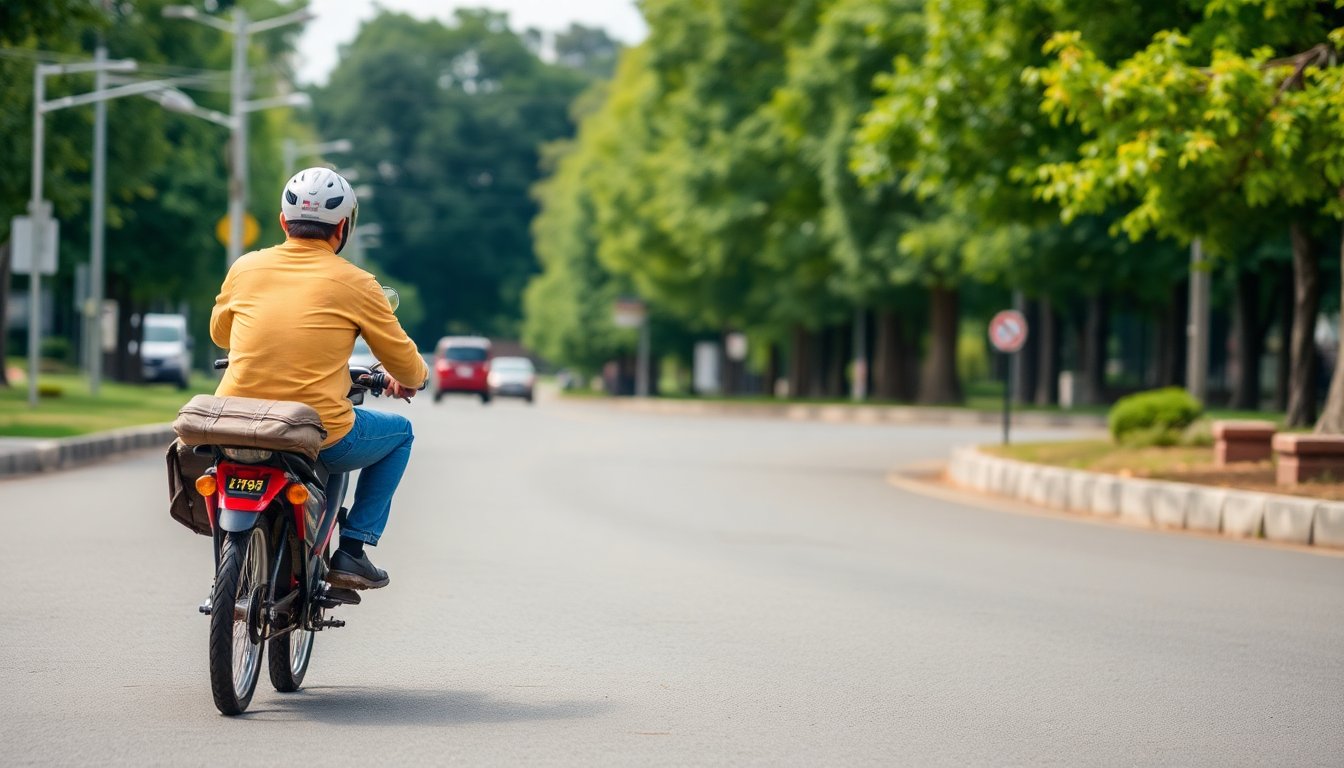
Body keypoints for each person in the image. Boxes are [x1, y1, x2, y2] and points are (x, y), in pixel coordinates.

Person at [209, 167, 428, 590]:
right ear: (343, 227)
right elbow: (404, 364)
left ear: (282, 221)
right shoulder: (358, 283)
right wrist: (413, 378)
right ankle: (353, 549)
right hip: (316, 429)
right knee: (401, 433)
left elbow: (221, 334)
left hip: (235, 421)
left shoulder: (245, 267)